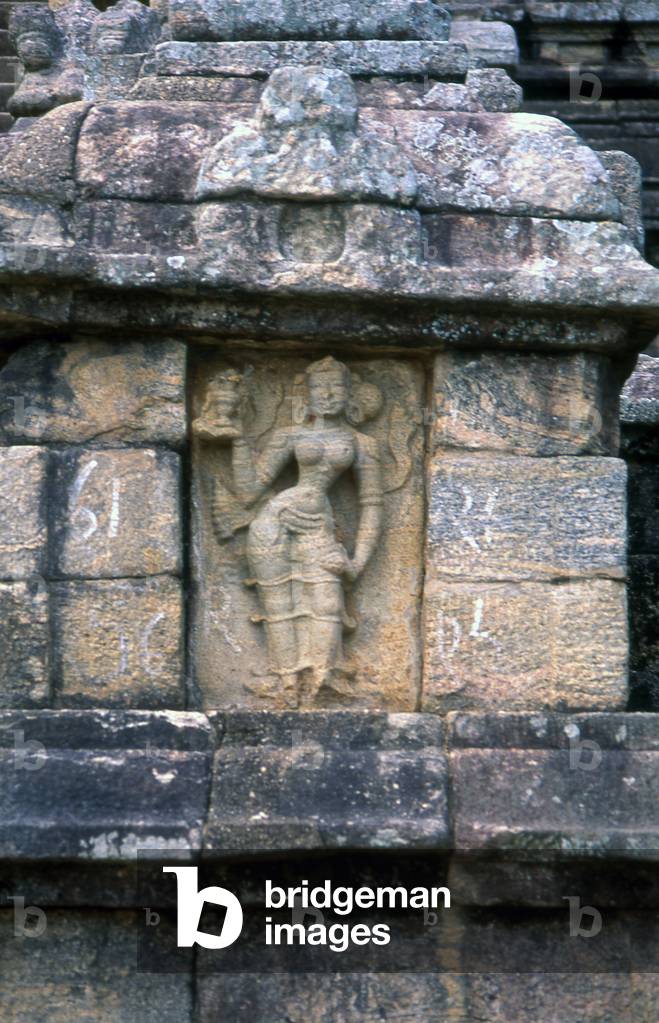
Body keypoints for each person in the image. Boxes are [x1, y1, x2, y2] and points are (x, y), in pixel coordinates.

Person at [221, 357, 384, 701]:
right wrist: (236, 439)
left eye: (336, 386)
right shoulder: (288, 436)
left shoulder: (362, 444)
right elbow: (249, 492)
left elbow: (372, 506)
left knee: (326, 601)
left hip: (318, 526)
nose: (327, 394)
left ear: (350, 392)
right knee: (279, 603)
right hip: (274, 520)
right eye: (318, 388)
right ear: (306, 395)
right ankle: (287, 683)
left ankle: (324, 680)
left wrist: (355, 563)